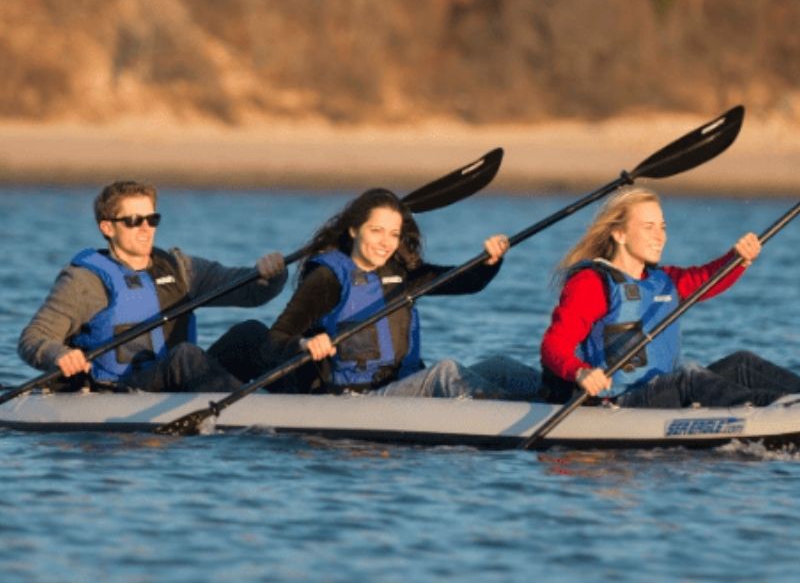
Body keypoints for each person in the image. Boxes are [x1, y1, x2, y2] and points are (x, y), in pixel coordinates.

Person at [262, 187, 539, 398]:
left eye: (393, 234)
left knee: (501, 367)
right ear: (354, 230)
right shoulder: (327, 277)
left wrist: (490, 261)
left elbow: (467, 282)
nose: (386, 243)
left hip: (404, 386)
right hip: (357, 397)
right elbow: (275, 340)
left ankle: (565, 396)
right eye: (376, 231)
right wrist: (304, 344)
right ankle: (511, 416)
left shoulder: (402, 274)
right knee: (445, 372)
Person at [539, 186, 800, 408]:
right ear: (619, 234)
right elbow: (554, 345)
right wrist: (580, 372)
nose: (660, 236)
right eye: (648, 227)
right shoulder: (591, 283)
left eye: (662, 227)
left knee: (742, 363)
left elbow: (706, 280)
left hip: (661, 391)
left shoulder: (663, 280)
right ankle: (773, 411)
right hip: (618, 401)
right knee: (689, 377)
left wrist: (738, 259)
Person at [18, 180, 288, 392]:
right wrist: (59, 355)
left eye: (152, 219)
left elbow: (253, 292)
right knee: (185, 356)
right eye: (133, 221)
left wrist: (271, 275)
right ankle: (250, 410)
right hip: (122, 390)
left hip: (180, 379)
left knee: (251, 334)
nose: (146, 229)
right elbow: (33, 338)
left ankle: (303, 399)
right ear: (107, 228)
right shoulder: (85, 281)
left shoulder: (181, 268)